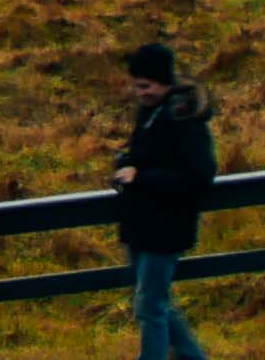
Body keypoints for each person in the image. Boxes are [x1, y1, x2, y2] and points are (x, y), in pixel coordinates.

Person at [112, 40, 218, 360]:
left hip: (166, 228)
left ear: (162, 81)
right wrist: (125, 165)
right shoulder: (154, 111)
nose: (139, 92)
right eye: (137, 86)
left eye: (145, 85)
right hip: (146, 225)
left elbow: (197, 175)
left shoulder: (182, 118)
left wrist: (140, 177)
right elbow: (142, 156)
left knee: (149, 306)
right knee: (156, 303)